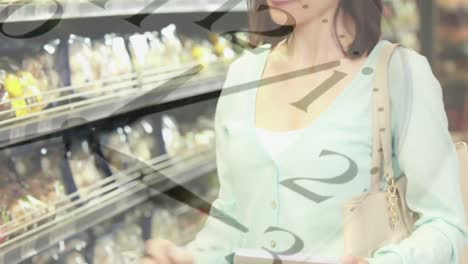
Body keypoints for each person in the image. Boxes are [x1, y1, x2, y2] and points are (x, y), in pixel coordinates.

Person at [141, 0, 468, 263]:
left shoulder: (402, 75)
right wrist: (190, 257)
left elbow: (446, 224)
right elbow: (233, 216)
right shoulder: (243, 75)